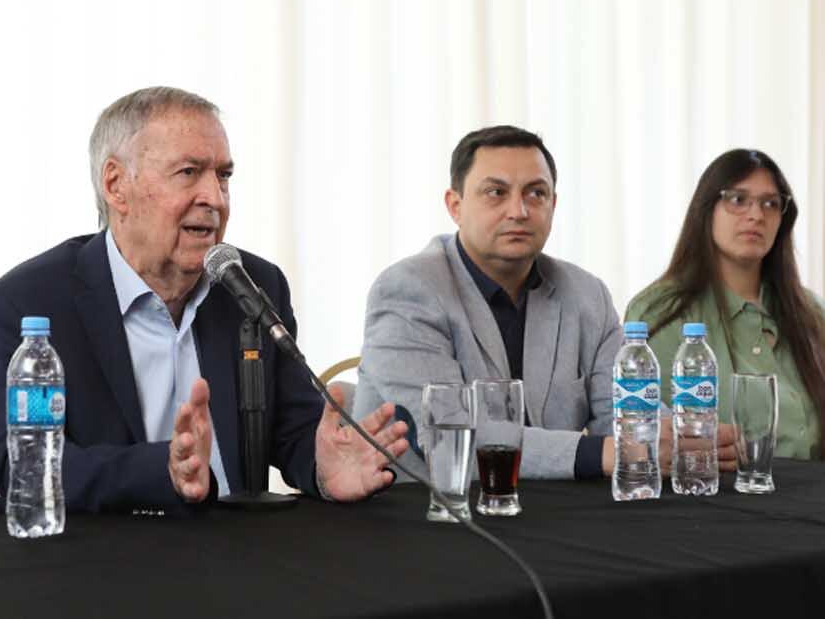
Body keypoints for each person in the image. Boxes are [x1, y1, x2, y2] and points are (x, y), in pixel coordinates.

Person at [0, 87, 408, 513]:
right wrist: (159, 470)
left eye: (223, 176)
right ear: (116, 185)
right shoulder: (30, 304)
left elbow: (290, 429)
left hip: (235, 560)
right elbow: (25, 466)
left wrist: (322, 469)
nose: (215, 199)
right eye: (188, 172)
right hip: (96, 562)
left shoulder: (253, 285)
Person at [354, 125, 733, 481]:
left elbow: (624, 411)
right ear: (455, 205)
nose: (519, 211)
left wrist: (688, 438)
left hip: (549, 514)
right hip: (427, 517)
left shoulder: (586, 294)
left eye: (536, 193)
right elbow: (449, 440)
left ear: (554, 203)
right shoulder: (408, 290)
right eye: (496, 192)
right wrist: (604, 453)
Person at [626, 148, 825, 460]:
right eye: (737, 199)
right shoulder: (662, 311)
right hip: (716, 499)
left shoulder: (812, 311)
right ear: (707, 210)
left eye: (770, 204)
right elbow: (655, 438)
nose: (756, 215)